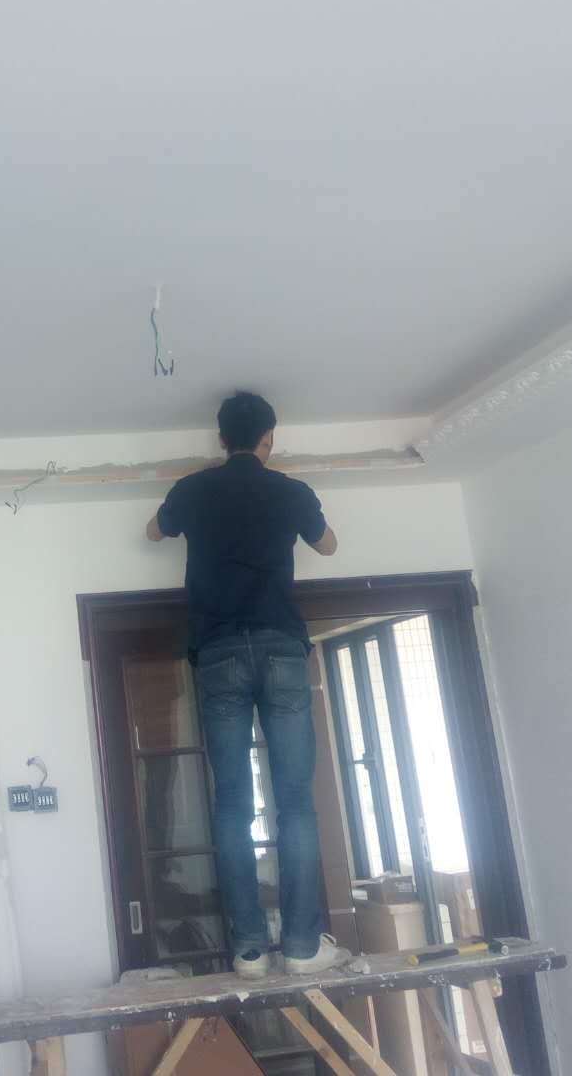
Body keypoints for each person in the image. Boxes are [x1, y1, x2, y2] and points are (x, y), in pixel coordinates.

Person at [146, 390, 347, 979]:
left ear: (219, 439)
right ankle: (303, 946)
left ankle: (250, 950)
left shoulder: (193, 489)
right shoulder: (290, 491)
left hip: (219, 653)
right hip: (281, 648)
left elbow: (154, 532)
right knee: (295, 801)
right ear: (269, 440)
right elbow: (329, 544)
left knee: (233, 804)